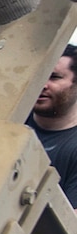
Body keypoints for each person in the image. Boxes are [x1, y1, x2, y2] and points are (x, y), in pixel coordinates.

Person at [28, 44, 77, 207]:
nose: (43, 85)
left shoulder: (73, 146)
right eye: (40, 75)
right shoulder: (10, 119)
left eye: (54, 77)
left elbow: (72, 224)